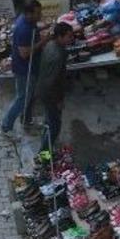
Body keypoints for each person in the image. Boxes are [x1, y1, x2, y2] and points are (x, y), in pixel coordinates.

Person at [1, 0, 49, 139]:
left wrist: (44, 27)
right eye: (37, 13)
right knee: (22, 98)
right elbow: (24, 53)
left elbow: (34, 29)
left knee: (29, 96)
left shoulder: (27, 21)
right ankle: (6, 126)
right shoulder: (24, 29)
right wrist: (43, 41)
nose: (40, 16)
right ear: (28, 14)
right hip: (24, 69)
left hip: (31, 66)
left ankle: (26, 120)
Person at [35, 23, 75, 152]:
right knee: (55, 126)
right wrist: (58, 100)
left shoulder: (50, 45)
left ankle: (45, 149)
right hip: (49, 95)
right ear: (59, 36)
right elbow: (53, 81)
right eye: (68, 36)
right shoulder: (58, 55)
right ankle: (44, 156)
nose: (71, 39)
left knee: (49, 123)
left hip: (43, 90)